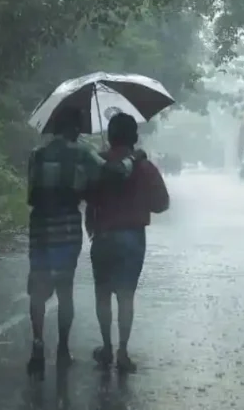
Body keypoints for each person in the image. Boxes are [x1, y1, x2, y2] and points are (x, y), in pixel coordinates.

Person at [25, 105, 147, 375]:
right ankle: (63, 350)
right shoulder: (82, 153)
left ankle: (37, 343)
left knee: (38, 287)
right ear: (75, 128)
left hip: (39, 229)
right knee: (64, 289)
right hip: (66, 228)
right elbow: (114, 173)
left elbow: (31, 195)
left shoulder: (36, 154)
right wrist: (135, 158)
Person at [85, 113, 169, 373]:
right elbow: (162, 204)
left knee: (102, 294)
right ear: (135, 137)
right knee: (125, 296)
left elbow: (86, 195)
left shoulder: (100, 163)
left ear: (110, 135)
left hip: (103, 236)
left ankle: (106, 347)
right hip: (132, 238)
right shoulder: (145, 167)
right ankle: (123, 351)